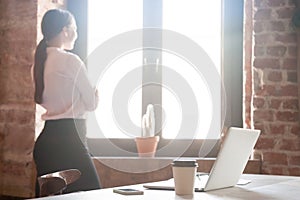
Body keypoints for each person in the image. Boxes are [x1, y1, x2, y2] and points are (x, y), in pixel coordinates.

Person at [32, 9, 101, 195]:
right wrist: (95, 94)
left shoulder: (39, 62)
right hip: (70, 141)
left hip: (46, 142)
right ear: (65, 30)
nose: (76, 35)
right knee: (94, 195)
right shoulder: (71, 61)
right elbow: (92, 104)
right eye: (75, 29)